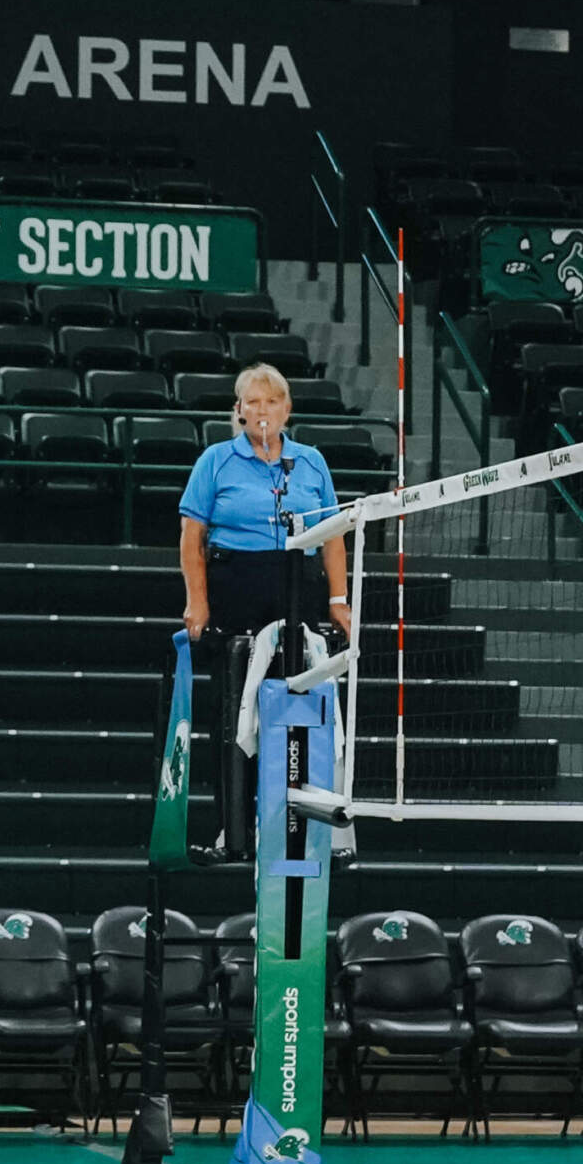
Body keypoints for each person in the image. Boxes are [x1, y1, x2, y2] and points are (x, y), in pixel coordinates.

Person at [179, 363, 349, 847]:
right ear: (238, 410)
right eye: (253, 402)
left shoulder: (311, 462)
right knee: (234, 709)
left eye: (272, 402)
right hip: (235, 586)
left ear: (287, 410)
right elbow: (191, 537)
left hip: (297, 587)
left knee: (298, 704)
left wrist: (339, 599)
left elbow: (333, 536)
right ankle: (232, 828)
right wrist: (197, 602)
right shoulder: (215, 460)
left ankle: (295, 828)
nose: (262, 411)